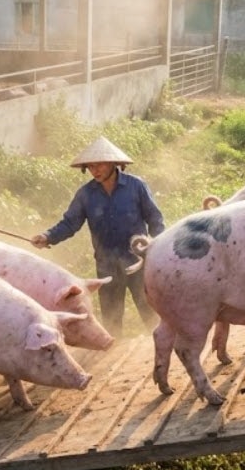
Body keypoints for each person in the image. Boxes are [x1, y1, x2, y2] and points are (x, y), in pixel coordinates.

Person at [31, 137, 165, 336]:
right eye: (91, 166)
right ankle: (112, 357)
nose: (95, 170)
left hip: (137, 261)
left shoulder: (136, 186)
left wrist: (159, 249)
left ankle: (161, 351)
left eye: (99, 165)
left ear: (113, 164)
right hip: (106, 266)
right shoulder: (86, 194)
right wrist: (48, 236)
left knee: (151, 312)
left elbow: (155, 219)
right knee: (111, 319)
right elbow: (70, 223)